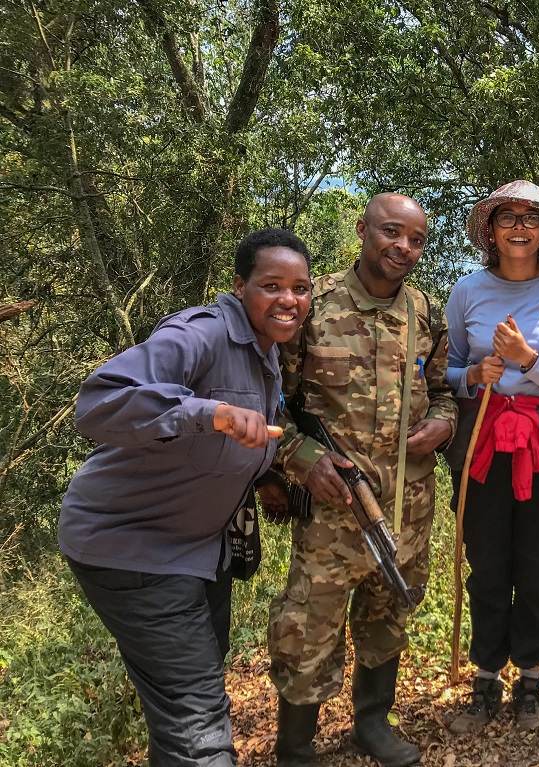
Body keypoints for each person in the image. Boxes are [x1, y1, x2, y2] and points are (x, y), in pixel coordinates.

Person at [58, 228, 313, 766]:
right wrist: (209, 413)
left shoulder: (268, 354)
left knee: (187, 701)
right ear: (240, 287)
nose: (288, 300)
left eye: (300, 288)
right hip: (134, 548)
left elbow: (242, 447)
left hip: (201, 550)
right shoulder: (200, 334)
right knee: (198, 726)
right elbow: (101, 400)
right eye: (272, 285)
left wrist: (270, 478)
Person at [264, 193, 458, 767]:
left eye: (416, 239)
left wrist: (443, 425)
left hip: (407, 505)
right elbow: (269, 402)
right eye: (391, 233)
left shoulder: (426, 311)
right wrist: (301, 459)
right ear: (362, 230)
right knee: (309, 626)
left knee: (389, 612)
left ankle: (372, 724)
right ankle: (296, 748)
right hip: (332, 508)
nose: (403, 247)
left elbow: (445, 392)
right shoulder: (311, 305)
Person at [442, 180, 539, 733]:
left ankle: (531, 677)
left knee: (538, 562)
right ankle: (485, 677)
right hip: (483, 442)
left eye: (532, 218)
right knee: (486, 561)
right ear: (491, 229)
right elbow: (446, 373)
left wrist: (528, 360)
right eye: (508, 217)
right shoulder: (466, 291)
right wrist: (474, 375)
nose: (519, 228)